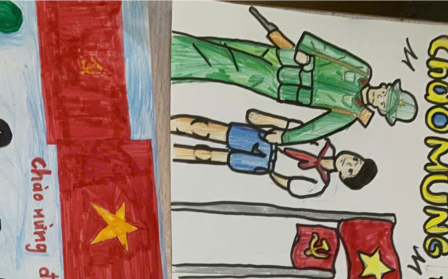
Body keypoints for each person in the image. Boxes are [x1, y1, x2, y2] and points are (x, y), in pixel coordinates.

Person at [171, 22, 417, 145]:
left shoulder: (350, 112)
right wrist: (306, 49)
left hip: (277, 84)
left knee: (225, 64)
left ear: (380, 110)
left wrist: (286, 137)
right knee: (223, 46)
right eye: (386, 94)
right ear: (385, 86)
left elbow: (317, 129)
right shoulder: (363, 70)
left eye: (384, 104)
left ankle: (174, 60)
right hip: (282, 56)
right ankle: (174, 54)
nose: (380, 98)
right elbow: (332, 53)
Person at [171, 114, 377, 197]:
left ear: (345, 177)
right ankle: (172, 124)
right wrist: (265, 120)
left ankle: (175, 151)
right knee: (212, 129)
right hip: (266, 140)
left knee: (209, 155)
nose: (349, 162)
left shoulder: (318, 183)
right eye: (355, 160)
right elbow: (293, 126)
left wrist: (275, 171)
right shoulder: (323, 142)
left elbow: (288, 184)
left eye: (351, 169)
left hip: (265, 163)